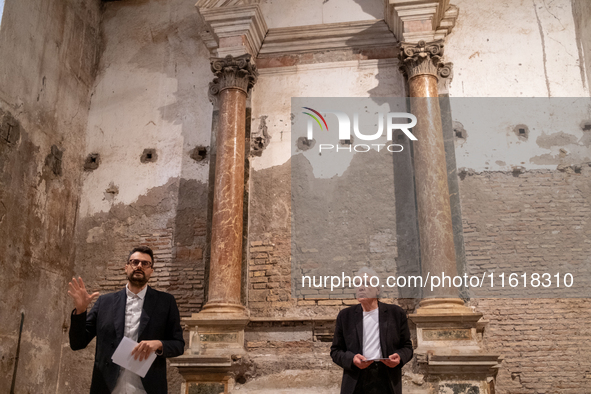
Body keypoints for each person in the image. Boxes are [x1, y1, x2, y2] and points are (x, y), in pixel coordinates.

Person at [68, 246, 185, 394]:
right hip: (107, 387)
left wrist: (158, 344)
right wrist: (81, 311)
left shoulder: (165, 302)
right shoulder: (105, 302)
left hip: (147, 388)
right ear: (126, 267)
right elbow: (77, 343)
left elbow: (178, 345)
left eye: (145, 263)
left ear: (151, 271)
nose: (139, 266)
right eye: (134, 262)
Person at [330, 269, 413, 394]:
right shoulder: (345, 316)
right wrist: (352, 359)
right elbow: (335, 351)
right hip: (356, 379)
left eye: (366, 283)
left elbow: (407, 347)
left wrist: (400, 357)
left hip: (387, 378)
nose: (361, 288)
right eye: (357, 284)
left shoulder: (395, 314)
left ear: (377, 289)